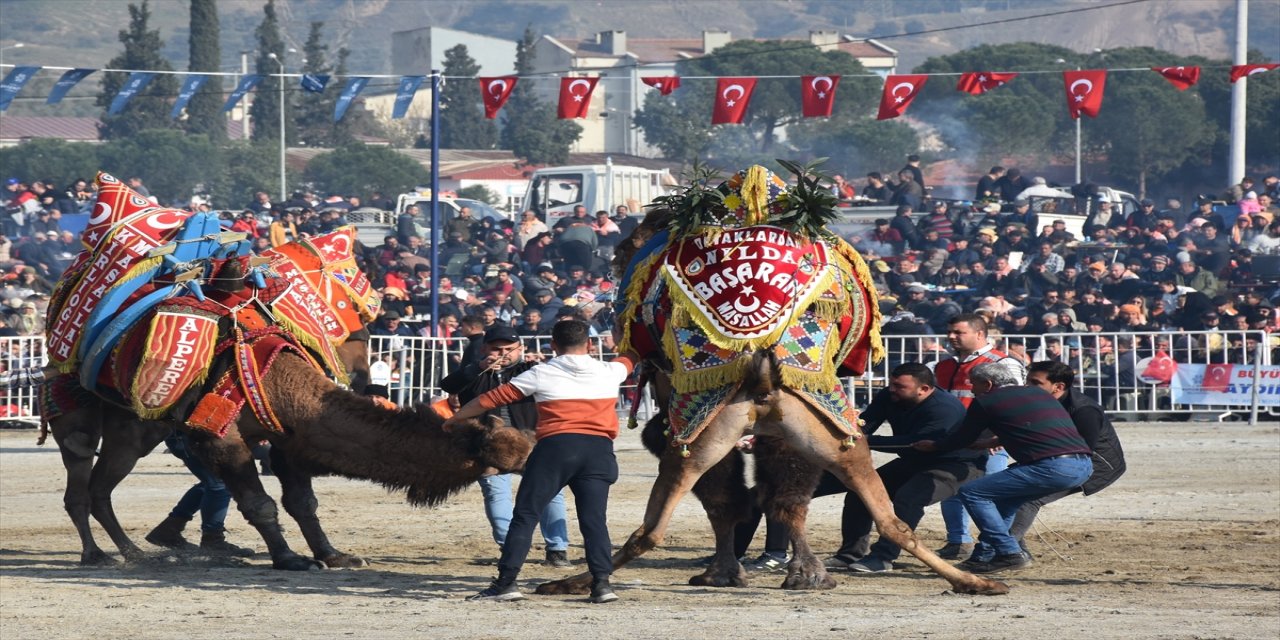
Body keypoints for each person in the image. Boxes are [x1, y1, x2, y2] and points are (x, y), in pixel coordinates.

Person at [447, 320, 634, 603]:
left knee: (525, 515)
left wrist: (454, 419)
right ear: (591, 345)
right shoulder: (611, 370)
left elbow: (487, 400)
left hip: (556, 448)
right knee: (594, 521)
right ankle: (602, 585)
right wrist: (622, 336)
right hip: (599, 451)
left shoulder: (541, 373)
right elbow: (632, 355)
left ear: (553, 346)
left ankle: (506, 584)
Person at [913, 362, 1093, 574]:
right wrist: (986, 443)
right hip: (1083, 465)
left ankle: (1009, 553)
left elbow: (963, 437)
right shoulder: (1040, 395)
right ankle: (984, 556)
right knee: (1005, 502)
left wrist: (933, 446)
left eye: (974, 384)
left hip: (1051, 467)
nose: (972, 390)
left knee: (972, 493)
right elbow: (1034, 429)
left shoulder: (987, 401)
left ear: (988, 384)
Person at [819, 364, 984, 573]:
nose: (892, 389)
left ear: (923, 389)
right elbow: (865, 424)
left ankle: (883, 557)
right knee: (861, 492)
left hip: (954, 464)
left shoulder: (944, 409)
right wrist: (848, 434)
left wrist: (866, 440)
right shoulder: (890, 396)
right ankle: (850, 554)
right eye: (891, 384)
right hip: (914, 461)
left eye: (899, 386)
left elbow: (914, 442)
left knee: (909, 498)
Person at [439, 325, 572, 568]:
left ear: (520, 349)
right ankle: (509, 546)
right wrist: (478, 368)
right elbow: (448, 385)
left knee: (552, 493)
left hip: (531, 441)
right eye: (496, 349)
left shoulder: (532, 370)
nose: (503, 353)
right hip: (488, 445)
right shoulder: (475, 372)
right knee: (496, 493)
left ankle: (557, 549)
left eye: (509, 349)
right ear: (484, 349)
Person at [931, 313, 1024, 559]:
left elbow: (1014, 402)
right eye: (950, 332)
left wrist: (996, 435)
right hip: (955, 440)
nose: (951, 337)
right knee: (950, 489)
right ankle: (958, 540)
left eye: (958, 332)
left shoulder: (1003, 362)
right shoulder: (944, 365)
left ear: (979, 334)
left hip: (988, 442)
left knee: (992, 493)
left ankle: (999, 543)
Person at [1017, 361, 1127, 546]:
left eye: (1035, 383)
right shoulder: (1039, 402)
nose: (1027, 386)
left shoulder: (1084, 410)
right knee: (1009, 492)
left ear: (1058, 387)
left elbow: (1082, 451)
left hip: (1095, 464)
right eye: (1028, 381)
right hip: (1060, 460)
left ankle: (1004, 550)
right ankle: (1012, 547)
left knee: (1027, 499)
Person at [145, 430, 255, 556]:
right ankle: (212, 539)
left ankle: (169, 529)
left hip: (188, 437)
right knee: (219, 484)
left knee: (212, 483)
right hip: (190, 438)